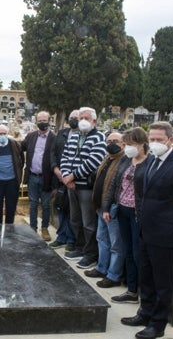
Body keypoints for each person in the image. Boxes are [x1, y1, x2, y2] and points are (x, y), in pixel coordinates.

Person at [121, 122, 173, 339]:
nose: (154, 143)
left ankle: (158, 323)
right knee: (147, 276)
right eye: (152, 139)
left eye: (159, 139)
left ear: (170, 140)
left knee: (162, 281)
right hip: (146, 229)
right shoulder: (152, 161)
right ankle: (145, 312)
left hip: (165, 234)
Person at [103, 127, 152, 303]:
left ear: (141, 144)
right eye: (126, 144)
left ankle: (143, 291)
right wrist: (106, 207)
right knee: (128, 251)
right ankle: (131, 291)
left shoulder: (150, 163)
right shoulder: (126, 160)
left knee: (138, 253)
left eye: (131, 144)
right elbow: (114, 185)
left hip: (138, 214)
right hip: (122, 209)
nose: (128, 147)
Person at [60, 106, 106, 270]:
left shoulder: (99, 137)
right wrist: (66, 177)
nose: (83, 121)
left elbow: (93, 162)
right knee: (75, 219)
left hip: (86, 187)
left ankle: (90, 254)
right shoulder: (73, 137)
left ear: (94, 120)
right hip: (71, 186)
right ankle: (80, 248)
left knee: (88, 222)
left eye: (87, 118)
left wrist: (72, 176)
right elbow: (65, 156)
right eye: (81, 118)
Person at [85, 132, 126, 289]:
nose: (111, 144)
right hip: (101, 206)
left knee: (116, 243)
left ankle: (114, 275)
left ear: (123, 144)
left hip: (112, 207)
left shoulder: (124, 161)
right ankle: (102, 268)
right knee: (102, 239)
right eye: (108, 141)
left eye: (115, 141)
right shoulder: (107, 158)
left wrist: (109, 207)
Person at [21, 111, 57, 240]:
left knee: (46, 205)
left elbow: (57, 160)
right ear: (36, 122)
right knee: (33, 203)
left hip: (47, 178)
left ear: (49, 121)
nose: (42, 123)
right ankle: (33, 228)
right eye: (40, 120)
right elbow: (20, 147)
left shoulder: (54, 138)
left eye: (44, 120)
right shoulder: (31, 136)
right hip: (32, 176)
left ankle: (45, 228)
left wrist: (55, 183)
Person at [48, 110, 78, 251]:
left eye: (76, 118)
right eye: (71, 118)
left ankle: (71, 239)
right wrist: (55, 168)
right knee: (60, 208)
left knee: (72, 211)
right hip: (60, 178)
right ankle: (61, 237)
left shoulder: (84, 135)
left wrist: (70, 176)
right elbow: (53, 152)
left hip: (74, 180)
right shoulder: (62, 133)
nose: (73, 120)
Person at [0, 124, 24, 224]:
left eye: (4, 133)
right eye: (0, 134)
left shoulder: (15, 145)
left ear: (8, 134)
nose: (2, 135)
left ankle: (9, 230)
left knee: (11, 207)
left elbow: (21, 161)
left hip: (11, 181)